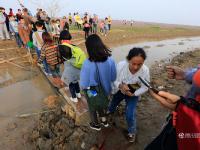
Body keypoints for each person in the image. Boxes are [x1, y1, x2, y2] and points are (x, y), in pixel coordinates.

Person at [108, 48, 150, 143]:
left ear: (143, 62)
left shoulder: (145, 71)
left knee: (130, 114)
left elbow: (145, 86)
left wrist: (134, 93)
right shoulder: (120, 66)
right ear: (128, 60)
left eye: (140, 64)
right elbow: (113, 79)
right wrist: (121, 85)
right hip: (120, 89)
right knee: (113, 103)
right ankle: (110, 113)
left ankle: (132, 132)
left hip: (133, 92)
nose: (136, 67)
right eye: (133, 63)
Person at [80, 34, 117, 131]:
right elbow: (113, 77)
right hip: (106, 90)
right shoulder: (111, 60)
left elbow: (84, 84)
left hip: (92, 90)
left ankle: (95, 124)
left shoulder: (87, 63)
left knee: (93, 105)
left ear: (89, 48)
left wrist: (85, 90)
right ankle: (104, 121)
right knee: (101, 104)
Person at [59, 30, 86, 103]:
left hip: (70, 69)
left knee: (71, 83)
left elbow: (61, 58)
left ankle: (74, 98)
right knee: (76, 81)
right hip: (78, 68)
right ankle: (78, 94)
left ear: (61, 39)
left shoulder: (62, 47)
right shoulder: (72, 46)